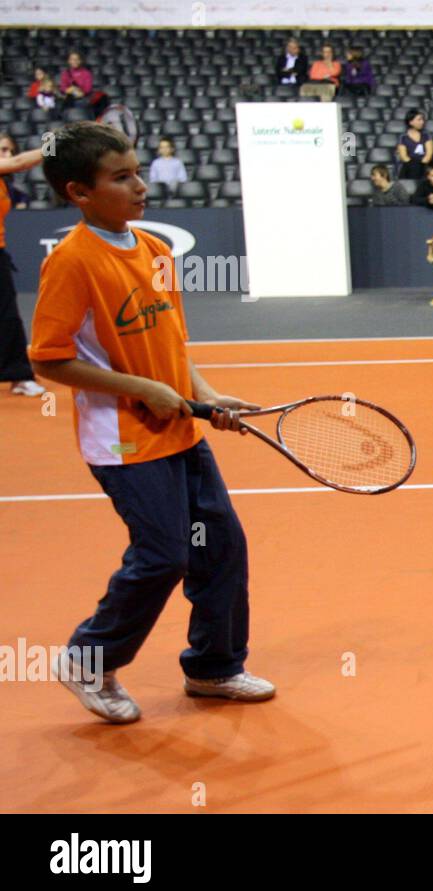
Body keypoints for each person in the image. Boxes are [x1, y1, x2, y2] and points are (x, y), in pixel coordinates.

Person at [30, 122, 270, 723]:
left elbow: (173, 345)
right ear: (79, 193)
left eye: (138, 172)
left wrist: (208, 398)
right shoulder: (71, 263)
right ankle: (90, 659)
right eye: (122, 177)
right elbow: (48, 358)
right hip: (122, 441)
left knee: (220, 548)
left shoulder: (156, 251)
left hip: (180, 430)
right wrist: (138, 388)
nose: (140, 186)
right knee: (164, 555)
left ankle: (215, 667)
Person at [0, 134, 46, 398]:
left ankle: (18, 376)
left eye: (9, 149)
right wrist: (53, 146)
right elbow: (19, 163)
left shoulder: (4, 185)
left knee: (6, 314)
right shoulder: (9, 167)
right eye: (1, 149)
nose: (6, 153)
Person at [396, 110, 433, 181]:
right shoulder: (403, 137)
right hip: (409, 166)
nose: (422, 122)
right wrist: (414, 165)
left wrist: (420, 164)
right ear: (411, 122)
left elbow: (429, 155)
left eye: (422, 119)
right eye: (419, 120)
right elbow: (404, 157)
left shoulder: (426, 136)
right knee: (412, 168)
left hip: (424, 166)